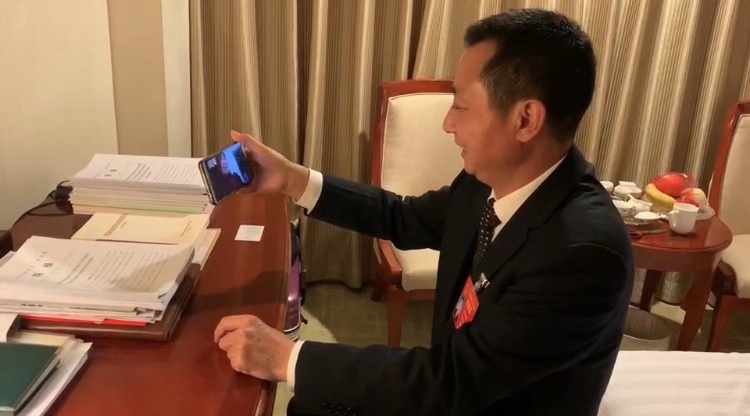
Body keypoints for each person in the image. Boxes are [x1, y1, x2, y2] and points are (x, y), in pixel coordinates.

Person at [213, 8, 633, 416]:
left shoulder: (582, 252)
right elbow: (402, 217)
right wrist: (291, 179)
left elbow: (454, 382)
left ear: (526, 119)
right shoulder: (488, 181)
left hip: (476, 399)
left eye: (461, 105)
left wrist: (289, 358)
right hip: (458, 384)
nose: (448, 124)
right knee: (311, 404)